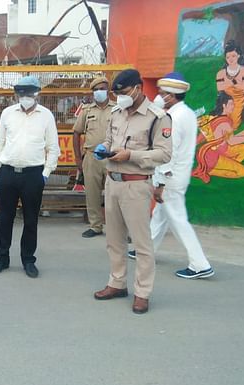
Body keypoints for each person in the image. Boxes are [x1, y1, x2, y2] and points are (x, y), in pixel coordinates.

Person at [92, 69, 172, 314]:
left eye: (124, 93)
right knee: (113, 240)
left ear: (138, 88)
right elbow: (109, 139)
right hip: (112, 182)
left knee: (141, 243)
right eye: (117, 95)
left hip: (136, 184)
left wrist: (132, 155)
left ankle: (142, 292)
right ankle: (117, 283)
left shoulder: (157, 117)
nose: (120, 99)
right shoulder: (117, 113)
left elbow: (164, 154)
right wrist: (103, 148)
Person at [128, 73, 214, 279]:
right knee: (160, 215)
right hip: (180, 174)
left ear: (172, 96)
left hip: (171, 177)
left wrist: (160, 182)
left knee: (178, 220)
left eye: (163, 93)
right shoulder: (187, 113)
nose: (159, 95)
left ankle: (200, 264)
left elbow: (168, 152)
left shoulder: (173, 118)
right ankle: (145, 249)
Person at [0, 76, 60, 279]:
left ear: (37, 93)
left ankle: (28, 259)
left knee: (30, 220)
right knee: (4, 218)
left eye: (29, 93)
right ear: (16, 94)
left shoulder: (46, 116)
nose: (26, 97)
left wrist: (45, 173)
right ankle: (2, 258)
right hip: (8, 173)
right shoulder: (7, 114)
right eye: (22, 94)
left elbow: (53, 148)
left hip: (33, 175)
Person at [73, 76, 115, 238]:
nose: (99, 92)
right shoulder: (87, 111)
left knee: (115, 194)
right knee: (92, 193)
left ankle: (116, 228)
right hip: (91, 156)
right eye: (96, 90)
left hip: (113, 156)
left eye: (102, 89)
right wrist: (78, 158)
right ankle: (95, 226)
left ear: (108, 90)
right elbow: (76, 133)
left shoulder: (117, 109)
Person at [192, 93, 244, 183]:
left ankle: (228, 164)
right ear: (224, 105)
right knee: (243, 172)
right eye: (231, 104)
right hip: (214, 157)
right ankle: (210, 171)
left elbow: (230, 138)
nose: (233, 107)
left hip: (206, 154)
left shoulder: (212, 118)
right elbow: (232, 141)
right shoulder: (224, 122)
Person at [215, 40, 244, 129]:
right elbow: (220, 88)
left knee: (233, 125)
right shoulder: (221, 73)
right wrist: (236, 83)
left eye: (233, 56)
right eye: (228, 57)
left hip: (239, 99)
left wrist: (230, 83)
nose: (231, 59)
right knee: (220, 123)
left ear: (238, 56)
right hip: (226, 100)